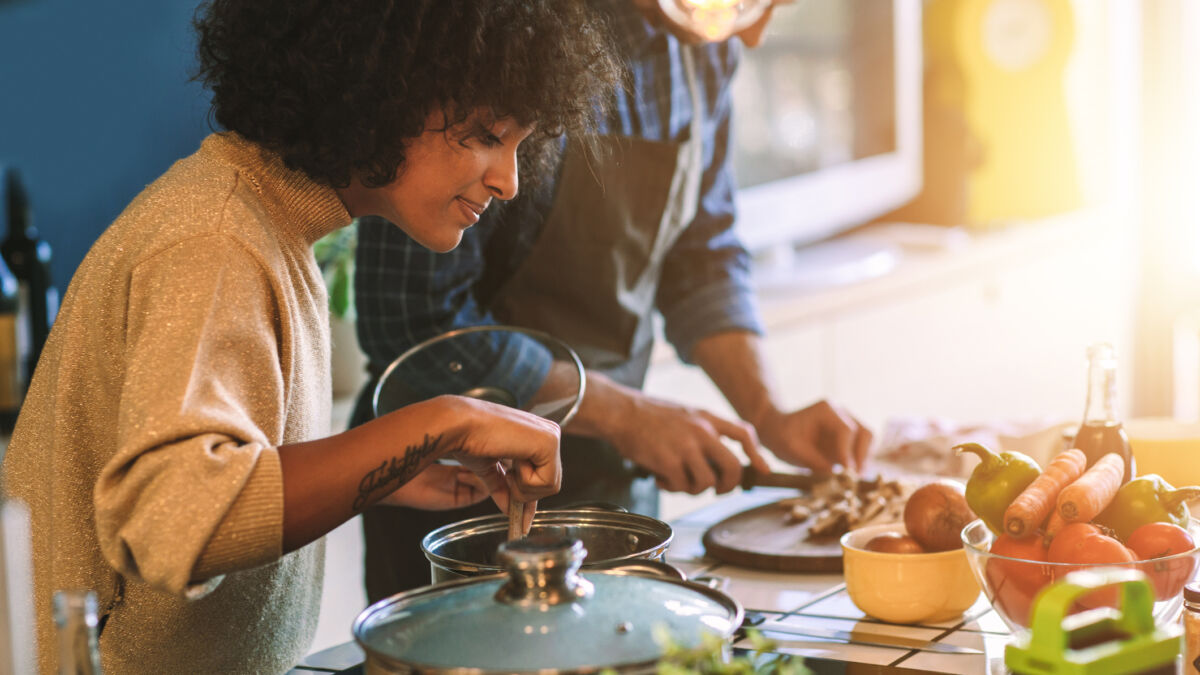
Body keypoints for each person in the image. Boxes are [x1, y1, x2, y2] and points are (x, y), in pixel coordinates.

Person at [0, 1, 621, 672]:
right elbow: (176, 514)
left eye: (520, 145)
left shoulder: (267, 228)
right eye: (483, 134)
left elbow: (226, 460)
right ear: (381, 89)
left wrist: (381, 475)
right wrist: (446, 420)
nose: (510, 180)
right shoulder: (213, 238)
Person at [350, 0, 875, 601]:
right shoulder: (493, 36)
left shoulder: (706, 47)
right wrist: (625, 417)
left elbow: (702, 254)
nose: (751, 28)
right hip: (460, 505)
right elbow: (416, 325)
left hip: (613, 493)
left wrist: (768, 412)